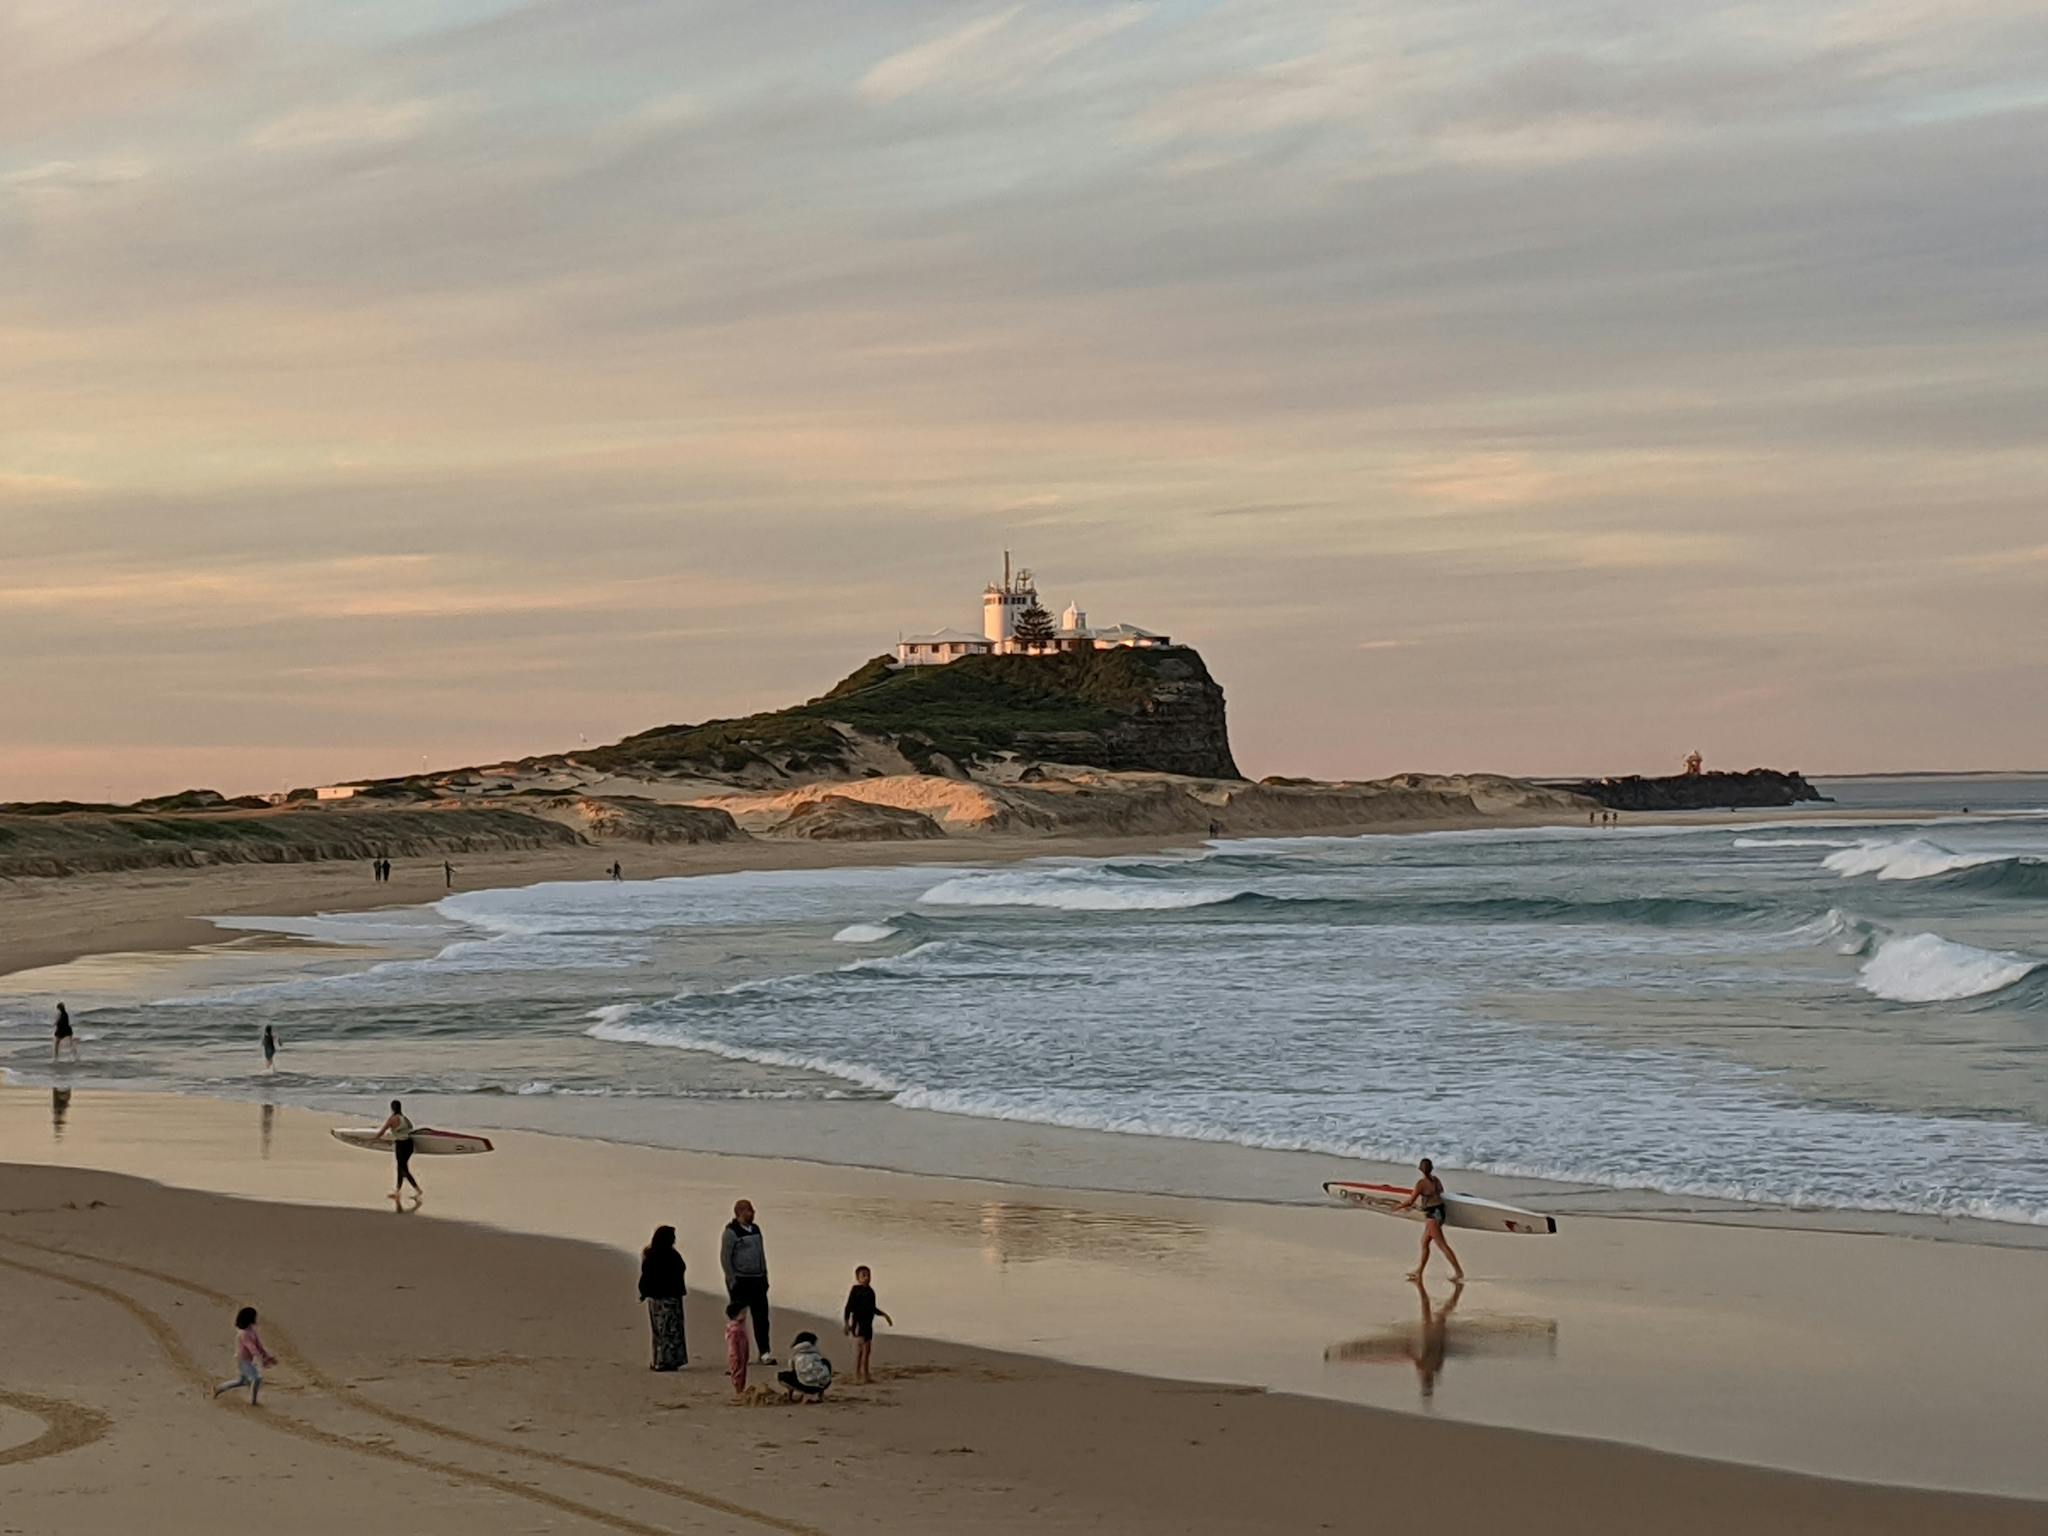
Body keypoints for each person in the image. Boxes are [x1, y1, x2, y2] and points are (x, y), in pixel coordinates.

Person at [1396, 1158, 1465, 1283]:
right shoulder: (1436, 1180)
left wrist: (1398, 1207)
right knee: (1424, 1242)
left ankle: (1458, 1272)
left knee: (1442, 1245)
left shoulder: (1421, 1184)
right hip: (1440, 1212)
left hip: (1432, 1216)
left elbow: (1411, 1201)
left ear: (1420, 1170)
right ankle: (1419, 1272)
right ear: (1431, 1168)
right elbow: (1441, 1194)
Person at [721, 1199, 772, 1363]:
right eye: (749, 1210)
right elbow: (725, 1257)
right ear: (740, 1213)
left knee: (762, 1318)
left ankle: (765, 1352)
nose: (753, 1213)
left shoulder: (756, 1229)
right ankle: (738, 1353)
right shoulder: (731, 1232)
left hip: (758, 1279)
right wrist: (731, 1279)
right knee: (739, 1320)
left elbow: (761, 1253)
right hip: (740, 1280)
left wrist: (765, 1275)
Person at [638, 1225, 688, 1371]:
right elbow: (681, 1270)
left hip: (657, 1299)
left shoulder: (651, 1254)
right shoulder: (672, 1255)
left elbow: (645, 1276)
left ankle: (660, 1360)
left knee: (660, 1331)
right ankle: (672, 1360)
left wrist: (643, 1292)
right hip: (671, 1297)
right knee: (673, 1331)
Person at [212, 1306, 277, 1405]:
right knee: (256, 1378)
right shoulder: (244, 1334)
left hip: (246, 1360)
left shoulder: (251, 1330)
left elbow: (258, 1345)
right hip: (243, 1361)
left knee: (241, 1381)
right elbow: (251, 1348)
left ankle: (218, 1389)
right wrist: (261, 1359)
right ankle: (253, 1401)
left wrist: (267, 1356)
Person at [843, 1265, 893, 1385]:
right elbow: (848, 1308)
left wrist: (884, 1315)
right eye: (863, 1275)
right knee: (859, 1351)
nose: (866, 1277)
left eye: (868, 1275)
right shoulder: (855, 1290)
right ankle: (856, 1375)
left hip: (868, 1325)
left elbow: (872, 1308)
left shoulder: (871, 1292)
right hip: (858, 1324)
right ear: (858, 1278)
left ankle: (866, 1375)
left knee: (867, 1351)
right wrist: (846, 1324)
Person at [377, 1098, 422, 1205]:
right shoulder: (404, 1118)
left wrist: (373, 1139)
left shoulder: (392, 1119)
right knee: (400, 1167)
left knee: (403, 1169)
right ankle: (397, 1191)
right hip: (409, 1144)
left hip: (401, 1145)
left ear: (392, 1108)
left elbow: (382, 1131)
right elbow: (411, 1127)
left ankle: (418, 1190)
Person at [778, 1332, 832, 1403]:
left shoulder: (795, 1353)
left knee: (782, 1376)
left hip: (805, 1385)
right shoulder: (816, 1353)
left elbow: (792, 1370)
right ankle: (820, 1396)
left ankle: (790, 1397)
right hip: (822, 1385)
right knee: (825, 1363)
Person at [724, 1300, 751, 1400]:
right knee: (737, 1372)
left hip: (742, 1352)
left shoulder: (740, 1326)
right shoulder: (734, 1329)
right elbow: (732, 1345)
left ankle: (741, 1390)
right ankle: (738, 1391)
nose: (745, 1315)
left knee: (743, 1371)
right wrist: (735, 1355)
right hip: (736, 1354)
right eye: (743, 1313)